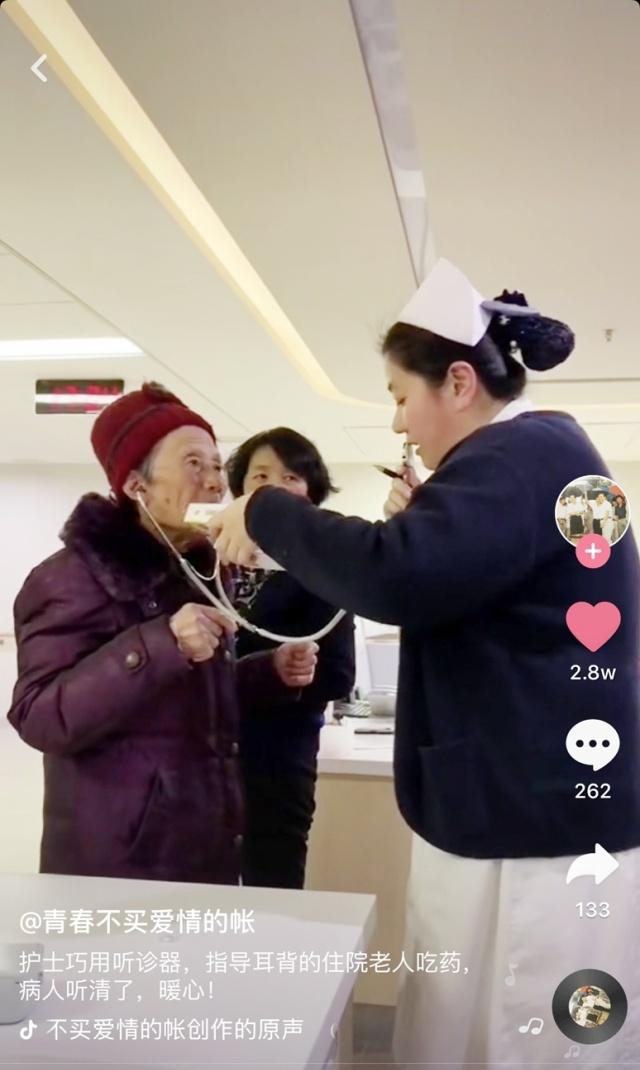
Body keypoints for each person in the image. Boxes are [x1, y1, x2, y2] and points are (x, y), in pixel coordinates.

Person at [208, 259, 640, 1064]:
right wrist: (426, 521)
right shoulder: (547, 455)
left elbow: (396, 576)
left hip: (530, 825)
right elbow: (448, 579)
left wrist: (266, 510)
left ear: (460, 384)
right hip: (540, 803)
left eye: (402, 396)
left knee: (515, 1031)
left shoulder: (522, 455)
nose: (399, 422)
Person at [7, 382, 317, 884]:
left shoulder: (200, 571)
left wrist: (269, 673)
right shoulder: (69, 577)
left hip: (205, 844)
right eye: (193, 464)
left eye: (216, 465)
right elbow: (39, 717)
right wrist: (160, 644)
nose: (214, 483)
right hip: (120, 862)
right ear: (137, 486)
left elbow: (190, 700)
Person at [226, 428, 355, 889]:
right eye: (260, 476)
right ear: (241, 489)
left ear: (311, 492)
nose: (273, 488)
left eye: (290, 477)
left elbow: (338, 676)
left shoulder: (324, 569)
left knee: (272, 890)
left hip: (277, 761)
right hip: (206, 759)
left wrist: (280, 671)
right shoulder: (212, 561)